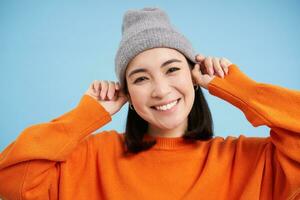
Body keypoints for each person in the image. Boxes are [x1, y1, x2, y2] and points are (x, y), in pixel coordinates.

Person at [0, 7, 299, 200]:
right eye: (141, 79)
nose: (160, 90)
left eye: (172, 69)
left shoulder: (250, 162)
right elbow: (10, 182)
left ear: (195, 76)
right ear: (127, 93)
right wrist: (85, 116)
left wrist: (239, 88)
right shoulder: (90, 157)